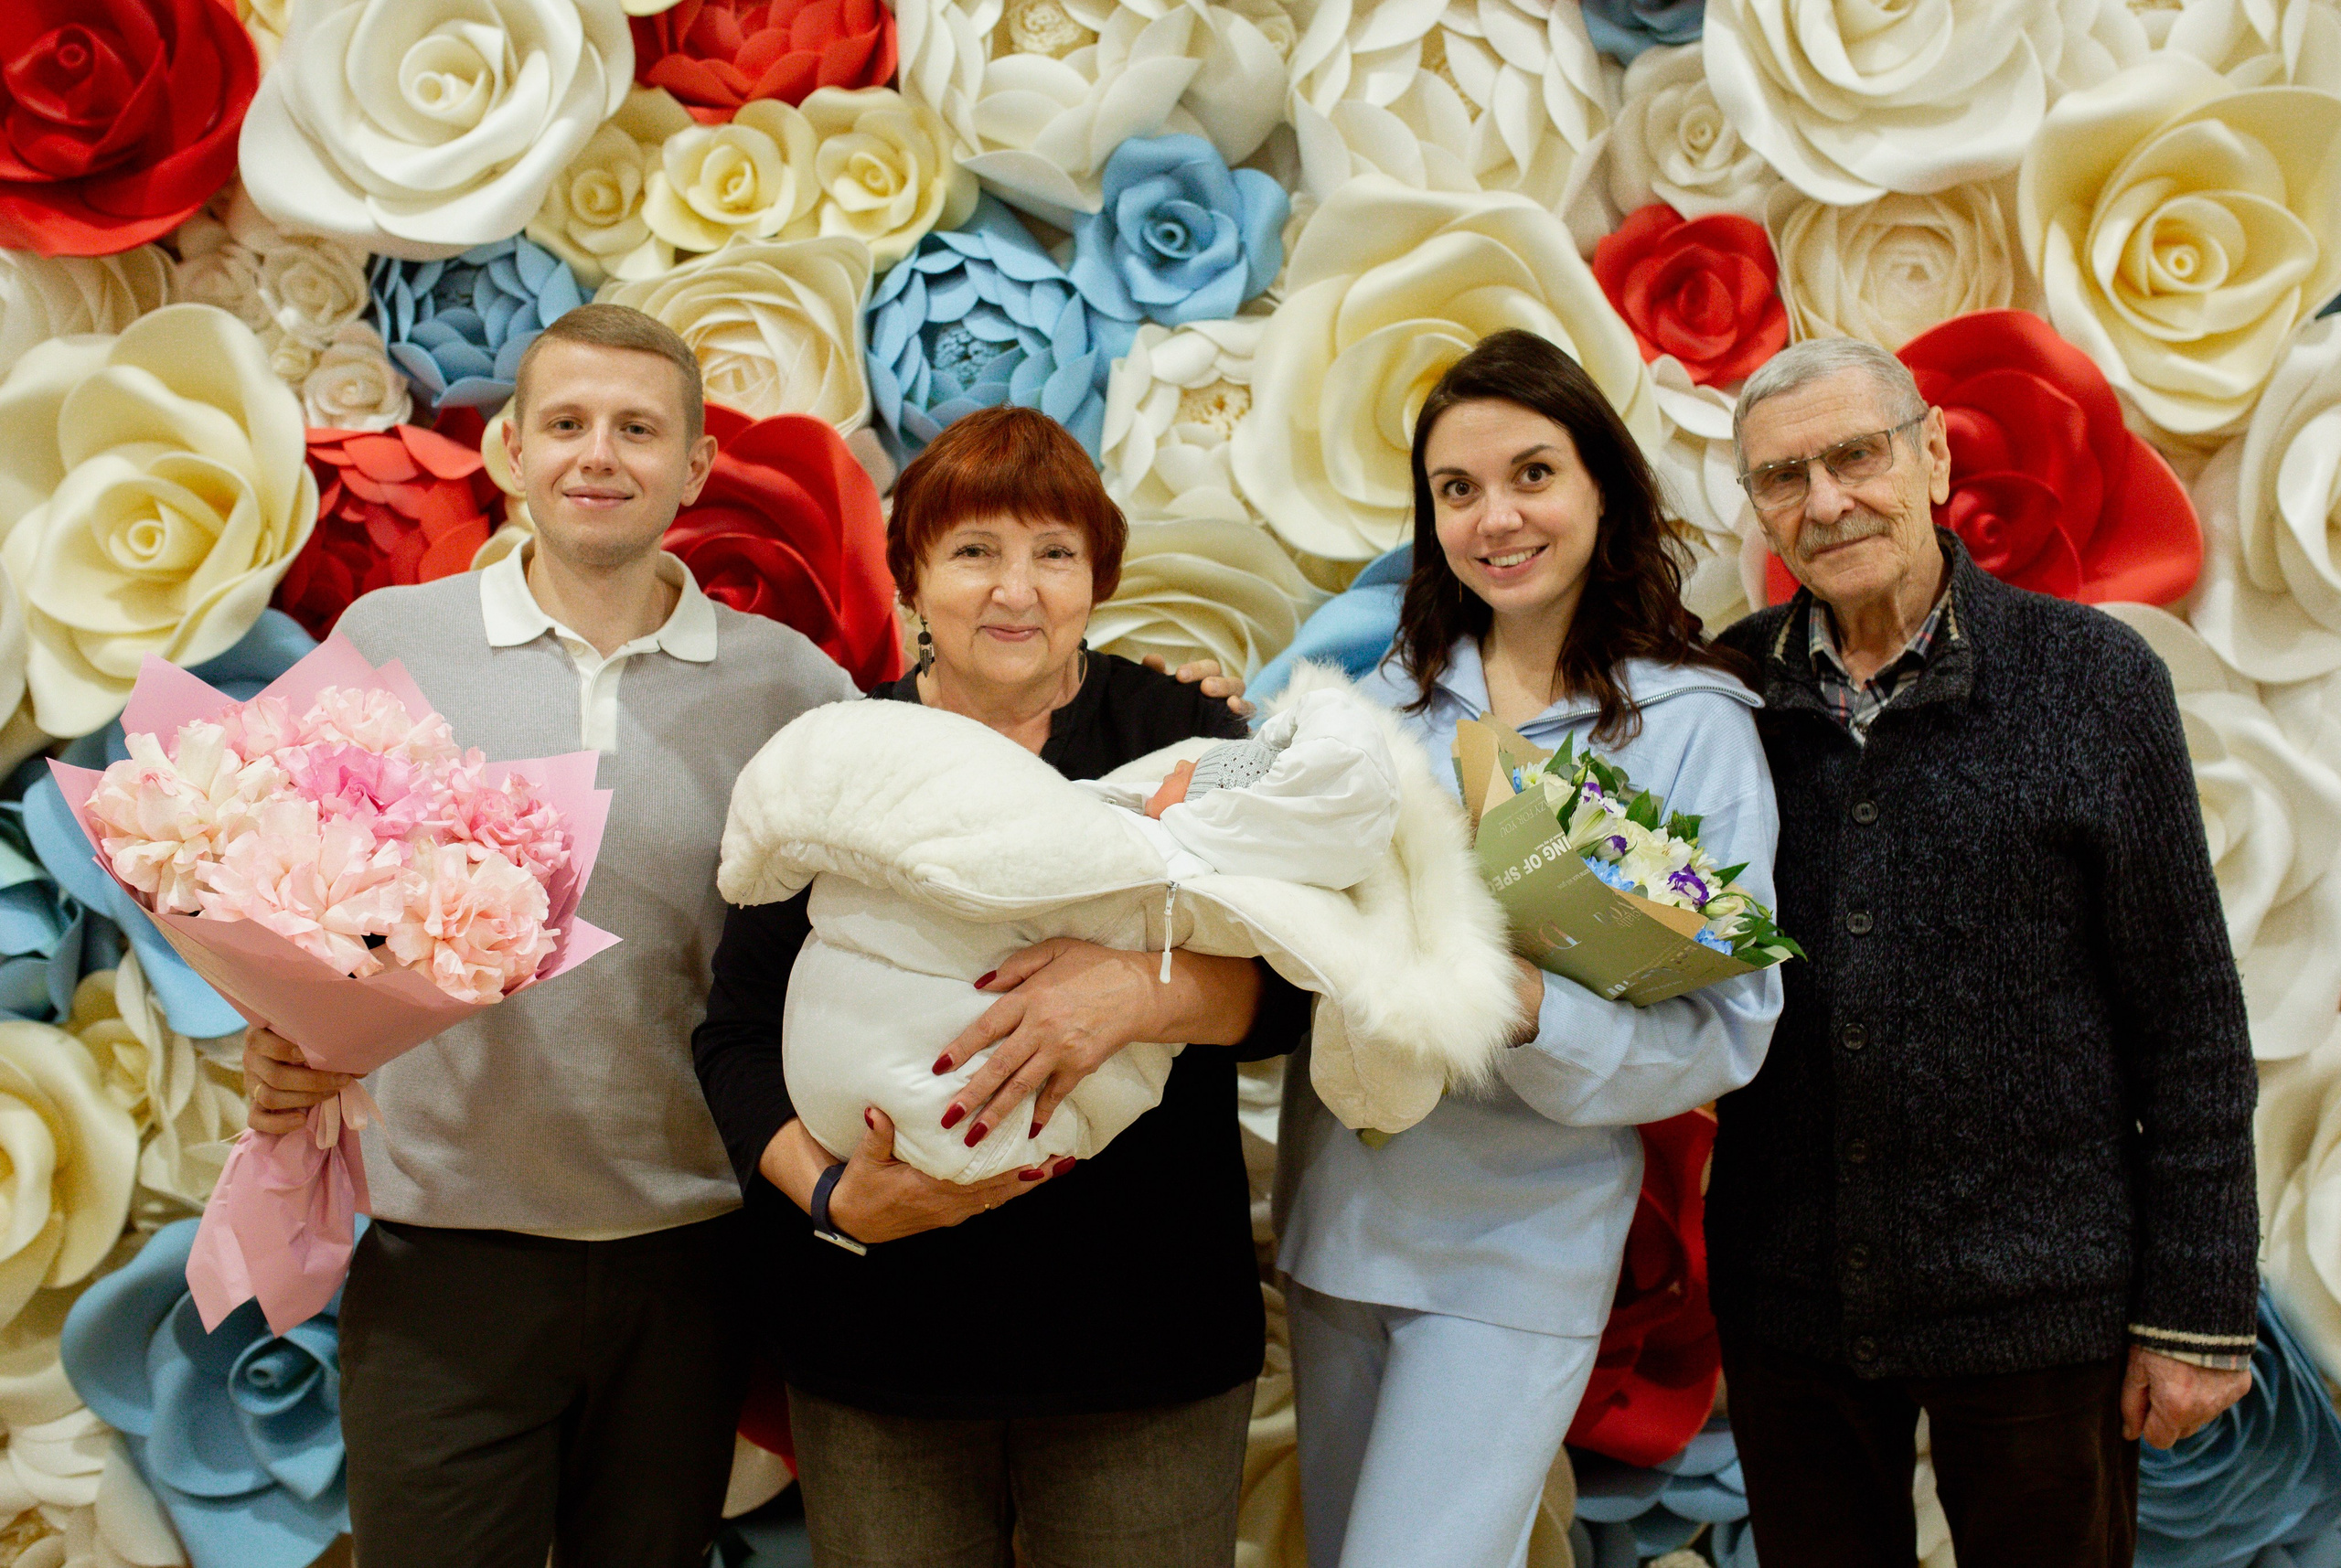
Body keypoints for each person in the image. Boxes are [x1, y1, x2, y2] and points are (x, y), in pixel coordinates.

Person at [233, 304, 860, 1565]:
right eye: (567, 423)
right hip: (441, 1254)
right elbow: (271, 884)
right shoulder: (389, 646)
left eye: (638, 428)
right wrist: (279, 1035)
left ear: (694, 466)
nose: (598, 454)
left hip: (687, 1258)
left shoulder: (793, 686)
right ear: (511, 450)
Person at [692, 404, 1313, 1568]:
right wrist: (828, 1197)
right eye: (973, 549)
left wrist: (1143, 992)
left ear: (1098, 577)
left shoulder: (1185, 735)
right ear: (913, 578)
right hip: (879, 1341)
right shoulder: (838, 757)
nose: (1014, 589)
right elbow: (731, 1036)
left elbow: (1297, 989)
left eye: (1054, 552)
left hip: (1144, 1340)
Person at [1708, 336, 2259, 1568]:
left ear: (1934, 457)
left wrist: (2200, 1310)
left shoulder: (2095, 680)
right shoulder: (1728, 691)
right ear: (1758, 505)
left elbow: (2189, 1017)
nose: (1827, 500)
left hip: (2041, 1302)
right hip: (1790, 1300)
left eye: (1857, 455)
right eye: (1785, 476)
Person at [1275, 327, 1783, 1568]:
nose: (1495, 517)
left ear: (1603, 487)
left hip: (1518, 1247)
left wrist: (1527, 1003)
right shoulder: (1386, 696)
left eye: (1532, 474)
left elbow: (1728, 1029)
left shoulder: (1694, 723)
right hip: (1341, 1219)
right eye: (1458, 489)